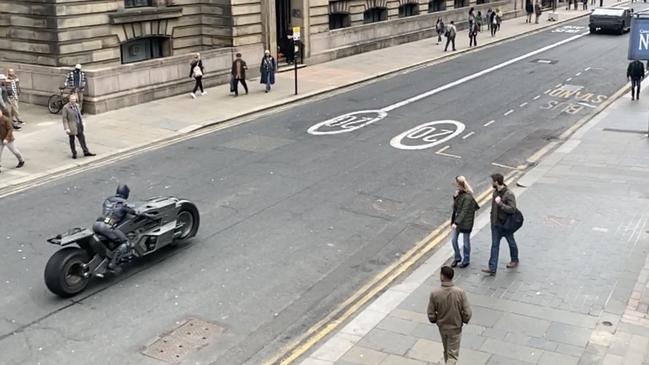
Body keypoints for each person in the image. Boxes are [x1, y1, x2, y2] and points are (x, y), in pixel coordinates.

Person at [427, 266, 472, 365]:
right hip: (455, 327)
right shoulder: (460, 292)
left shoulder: (435, 293)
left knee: (447, 350)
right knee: (453, 355)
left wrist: (435, 319)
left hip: (443, 327)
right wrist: (463, 319)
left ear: (442, 276)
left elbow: (430, 313)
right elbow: (468, 313)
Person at [93, 184, 137, 273]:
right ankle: (113, 264)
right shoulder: (124, 202)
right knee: (126, 242)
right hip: (108, 226)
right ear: (126, 193)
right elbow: (134, 212)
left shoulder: (108, 200)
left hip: (97, 224)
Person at [482, 173, 519, 276]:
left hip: (506, 225)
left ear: (497, 182)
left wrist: (501, 204)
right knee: (494, 246)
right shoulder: (495, 192)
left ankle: (514, 260)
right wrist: (492, 220)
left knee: (511, 242)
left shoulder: (509, 194)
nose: (491, 183)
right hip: (496, 225)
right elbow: (493, 208)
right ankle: (492, 268)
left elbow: (512, 209)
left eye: (492, 181)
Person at [450, 176, 480, 268]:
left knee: (466, 242)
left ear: (461, 186)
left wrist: (456, 223)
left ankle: (466, 259)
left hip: (466, 222)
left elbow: (464, 211)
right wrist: (455, 198)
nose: (456, 187)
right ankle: (457, 257)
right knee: (454, 240)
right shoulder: (460, 194)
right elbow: (455, 208)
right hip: (459, 221)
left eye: (458, 186)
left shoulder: (468, 197)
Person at [62, 94, 95, 159]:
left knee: (82, 139)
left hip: (79, 125)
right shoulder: (66, 107)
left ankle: (86, 151)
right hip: (71, 126)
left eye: (74, 99)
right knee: (72, 140)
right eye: (72, 99)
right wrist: (66, 128)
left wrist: (82, 122)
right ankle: (74, 153)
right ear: (69, 100)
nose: (73, 101)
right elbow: (64, 119)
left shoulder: (77, 105)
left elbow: (79, 115)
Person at [0, 109, 25, 173]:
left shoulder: (5, 119)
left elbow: (10, 129)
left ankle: (21, 160)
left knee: (14, 151)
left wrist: (6, 139)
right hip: (0, 139)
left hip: (8, 139)